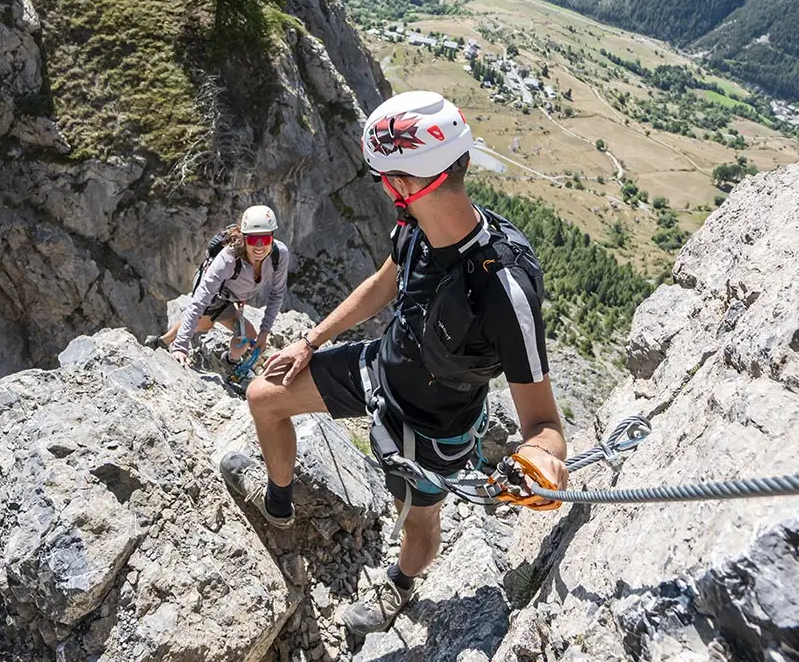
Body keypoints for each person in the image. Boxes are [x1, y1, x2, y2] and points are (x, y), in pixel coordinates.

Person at [236, 91, 568, 634]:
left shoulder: (503, 289)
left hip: (434, 429)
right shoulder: (416, 227)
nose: (386, 191)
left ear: (406, 185)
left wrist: (539, 460)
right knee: (264, 398)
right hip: (378, 370)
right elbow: (384, 282)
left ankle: (400, 584)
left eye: (384, 179)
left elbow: (545, 425)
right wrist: (312, 341)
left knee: (417, 518)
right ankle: (278, 500)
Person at [152, 205, 293, 370]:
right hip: (216, 293)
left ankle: (230, 361)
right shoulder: (228, 258)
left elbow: (277, 294)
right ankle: (167, 341)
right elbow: (200, 300)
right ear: (244, 238)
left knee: (249, 336)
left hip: (235, 295)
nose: (260, 246)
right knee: (205, 323)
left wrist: (265, 332)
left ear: (273, 237)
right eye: (254, 240)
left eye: (266, 239)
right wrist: (181, 347)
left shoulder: (279, 254)